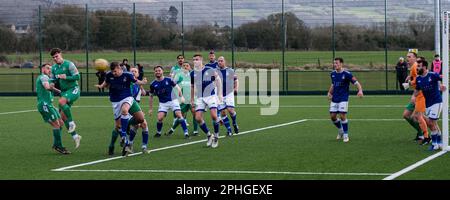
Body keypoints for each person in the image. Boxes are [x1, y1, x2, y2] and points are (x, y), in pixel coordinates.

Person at [95, 62, 148, 156]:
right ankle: (116, 144)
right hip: (115, 102)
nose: (114, 73)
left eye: (115, 71)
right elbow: (105, 83)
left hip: (128, 98)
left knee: (140, 119)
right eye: (112, 72)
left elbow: (136, 81)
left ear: (120, 69)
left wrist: (142, 82)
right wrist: (101, 86)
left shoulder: (128, 75)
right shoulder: (109, 75)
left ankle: (124, 135)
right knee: (117, 126)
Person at [50, 48, 82, 147]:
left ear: (60, 54)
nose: (55, 58)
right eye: (53, 57)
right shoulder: (54, 68)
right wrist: (51, 84)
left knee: (61, 102)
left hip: (73, 89)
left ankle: (72, 123)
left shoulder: (69, 64)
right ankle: (75, 136)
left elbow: (77, 77)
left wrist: (66, 77)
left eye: (57, 56)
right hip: (64, 92)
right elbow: (53, 79)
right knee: (63, 117)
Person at [36, 63, 71, 154]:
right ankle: (59, 146)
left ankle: (56, 144)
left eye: (50, 68)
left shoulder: (47, 78)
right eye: (47, 68)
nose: (49, 70)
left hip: (49, 105)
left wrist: (59, 91)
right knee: (56, 125)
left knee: (61, 123)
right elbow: (47, 87)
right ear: (42, 69)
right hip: (44, 105)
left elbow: (50, 87)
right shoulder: (43, 77)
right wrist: (59, 91)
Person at [327, 57, 363, 143]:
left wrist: (360, 90)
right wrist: (329, 92)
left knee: (342, 116)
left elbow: (356, 83)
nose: (335, 65)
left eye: (337, 63)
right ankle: (340, 130)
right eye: (334, 63)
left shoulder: (347, 74)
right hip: (335, 98)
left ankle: (346, 135)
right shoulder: (332, 74)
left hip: (343, 98)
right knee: (333, 117)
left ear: (341, 64)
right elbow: (333, 84)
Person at [190, 54, 223, 148]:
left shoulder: (209, 69)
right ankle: (209, 135)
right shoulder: (192, 73)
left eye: (196, 59)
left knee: (213, 116)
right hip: (200, 97)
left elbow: (218, 80)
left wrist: (219, 94)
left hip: (211, 96)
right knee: (198, 118)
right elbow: (192, 86)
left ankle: (216, 136)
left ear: (201, 60)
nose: (195, 61)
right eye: (193, 60)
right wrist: (192, 99)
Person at [148, 66, 190, 139]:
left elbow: (177, 87)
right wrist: (150, 109)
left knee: (179, 115)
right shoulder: (152, 84)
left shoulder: (169, 79)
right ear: (154, 72)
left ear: (162, 71)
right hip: (163, 103)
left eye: (159, 70)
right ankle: (158, 133)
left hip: (173, 100)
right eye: (156, 71)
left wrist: (181, 96)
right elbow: (151, 96)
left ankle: (186, 133)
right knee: (160, 118)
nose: (158, 72)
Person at [414, 59, 446, 150]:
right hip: (428, 104)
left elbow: (444, 77)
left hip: (437, 101)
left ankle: (435, 144)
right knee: (433, 123)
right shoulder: (419, 79)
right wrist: (414, 95)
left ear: (424, 67)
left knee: (431, 122)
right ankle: (439, 142)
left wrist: (442, 85)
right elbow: (416, 91)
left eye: (419, 66)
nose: (417, 68)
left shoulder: (432, 75)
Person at [166, 62, 199, 136]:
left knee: (194, 112)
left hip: (192, 98)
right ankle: (172, 129)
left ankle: (195, 131)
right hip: (183, 99)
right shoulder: (179, 75)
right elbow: (173, 84)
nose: (185, 67)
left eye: (187, 65)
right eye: (184, 66)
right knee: (181, 116)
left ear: (190, 67)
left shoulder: (193, 75)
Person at [402, 52, 428, 143]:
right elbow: (416, 78)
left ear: (414, 58)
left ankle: (427, 134)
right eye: (407, 57)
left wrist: (413, 94)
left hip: (419, 95)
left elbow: (419, 81)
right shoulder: (413, 67)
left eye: (409, 57)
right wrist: (410, 78)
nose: (407, 59)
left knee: (416, 116)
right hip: (417, 95)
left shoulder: (415, 66)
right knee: (408, 115)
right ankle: (422, 133)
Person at [127, 67, 149, 153]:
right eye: (131, 71)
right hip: (128, 108)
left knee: (141, 125)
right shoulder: (129, 83)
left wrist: (141, 85)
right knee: (142, 124)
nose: (133, 72)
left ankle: (141, 146)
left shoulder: (137, 83)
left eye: (135, 71)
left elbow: (143, 93)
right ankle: (131, 144)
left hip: (135, 108)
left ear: (138, 74)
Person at [217, 56, 239, 136]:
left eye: (221, 61)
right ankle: (229, 130)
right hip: (220, 95)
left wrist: (236, 88)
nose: (220, 62)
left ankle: (234, 123)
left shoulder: (230, 70)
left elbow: (236, 80)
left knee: (231, 110)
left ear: (225, 61)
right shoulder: (215, 71)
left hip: (229, 93)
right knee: (223, 112)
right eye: (218, 61)